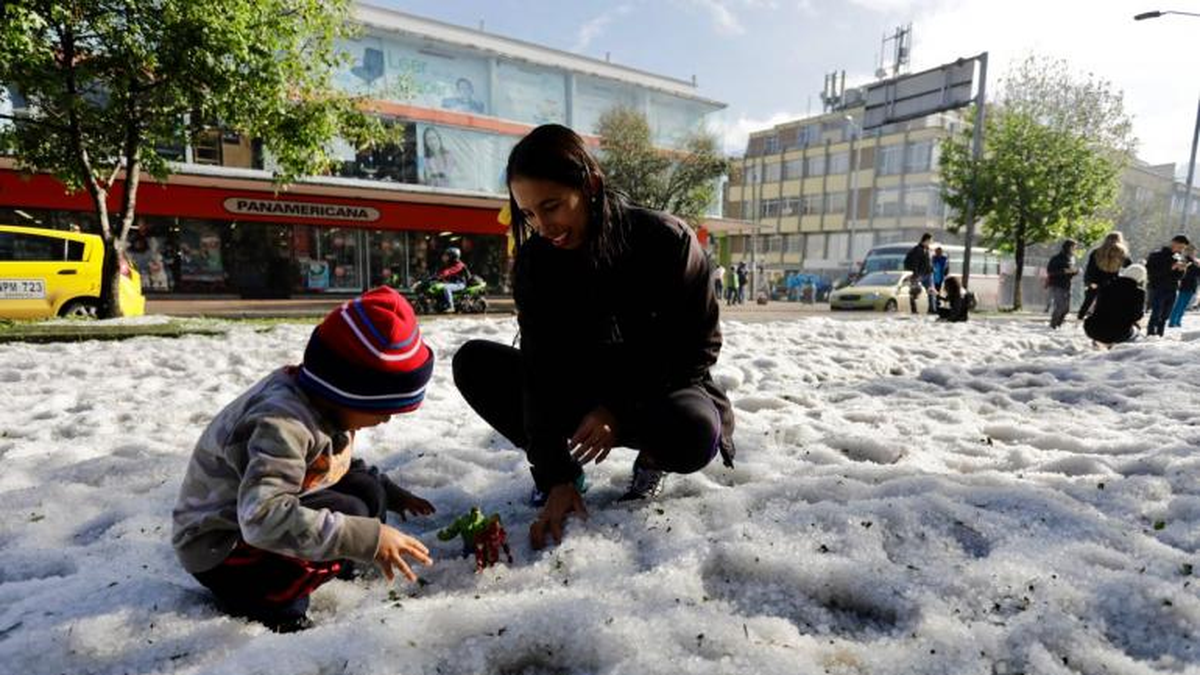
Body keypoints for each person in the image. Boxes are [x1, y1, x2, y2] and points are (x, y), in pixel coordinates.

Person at [451, 124, 735, 551]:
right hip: (579, 396)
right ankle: (569, 474)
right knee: (473, 362)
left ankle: (652, 460)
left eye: (552, 206)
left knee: (694, 431)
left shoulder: (665, 241)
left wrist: (617, 409)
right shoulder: (535, 263)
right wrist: (555, 476)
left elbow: (698, 349)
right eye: (528, 214)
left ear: (591, 186)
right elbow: (538, 369)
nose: (543, 226)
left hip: (657, 394)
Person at [172, 287, 436, 632]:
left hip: (260, 512)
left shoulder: (326, 402)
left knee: (368, 489)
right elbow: (262, 519)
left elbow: (330, 463)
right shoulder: (282, 425)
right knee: (353, 514)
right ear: (346, 391)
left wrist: (392, 494)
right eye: (381, 410)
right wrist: (365, 537)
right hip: (222, 547)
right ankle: (279, 608)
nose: (385, 420)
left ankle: (339, 559)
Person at [1084, 264, 1147, 348]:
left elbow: (1095, 307)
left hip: (1093, 330)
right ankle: (1117, 348)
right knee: (1137, 332)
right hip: (1119, 334)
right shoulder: (1139, 292)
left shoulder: (1107, 286)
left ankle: (1099, 342)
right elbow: (1137, 315)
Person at [1077, 232, 1132, 320]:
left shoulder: (1096, 251)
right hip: (1112, 280)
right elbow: (1128, 265)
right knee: (1106, 301)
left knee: (1088, 301)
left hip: (1096, 279)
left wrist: (1089, 281)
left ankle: (1080, 318)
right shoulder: (1122, 252)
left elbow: (1090, 268)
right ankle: (1102, 319)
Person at [1144, 234, 1190, 336]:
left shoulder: (1179, 257)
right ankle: (1150, 334)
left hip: (1172, 288)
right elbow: (1151, 273)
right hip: (1158, 287)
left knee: (1165, 315)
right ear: (1173, 242)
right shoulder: (1157, 255)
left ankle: (1160, 334)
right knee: (1156, 313)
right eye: (1180, 247)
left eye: (1183, 248)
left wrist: (1182, 270)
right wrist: (1171, 267)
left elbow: (1179, 277)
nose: (1181, 250)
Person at [1045, 239, 1079, 329]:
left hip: (1067, 285)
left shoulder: (1071, 258)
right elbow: (1050, 271)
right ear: (1068, 247)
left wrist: (1076, 271)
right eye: (1074, 247)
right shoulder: (1056, 258)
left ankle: (1058, 325)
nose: (1075, 249)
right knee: (1060, 306)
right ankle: (1053, 326)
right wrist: (1064, 271)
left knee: (1066, 309)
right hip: (1057, 285)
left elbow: (1070, 271)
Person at [1169, 245, 1199, 328]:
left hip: (1192, 285)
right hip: (1185, 285)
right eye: (1190, 251)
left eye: (1193, 251)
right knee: (1179, 304)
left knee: (1184, 305)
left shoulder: (1193, 261)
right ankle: (1173, 321)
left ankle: (1177, 321)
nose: (1192, 253)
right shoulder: (1185, 260)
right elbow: (1192, 272)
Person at [903, 233, 934, 314]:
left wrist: (931, 269)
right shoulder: (917, 250)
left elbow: (928, 262)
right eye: (930, 240)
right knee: (914, 292)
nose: (931, 242)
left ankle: (932, 309)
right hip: (919, 274)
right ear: (926, 240)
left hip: (927, 274)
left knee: (931, 292)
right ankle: (914, 309)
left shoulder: (927, 249)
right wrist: (915, 275)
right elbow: (915, 263)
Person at [435, 246, 472, 312]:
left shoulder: (459, 265)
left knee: (446, 288)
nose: (445, 257)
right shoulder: (450, 264)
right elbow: (442, 271)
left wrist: (441, 275)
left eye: (447, 255)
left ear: (452, 256)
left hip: (460, 284)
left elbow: (450, 271)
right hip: (453, 283)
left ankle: (451, 306)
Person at [931, 246, 949, 311]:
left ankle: (939, 303)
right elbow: (932, 266)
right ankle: (937, 303)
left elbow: (946, 268)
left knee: (940, 290)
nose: (938, 253)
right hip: (935, 277)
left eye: (939, 252)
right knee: (936, 290)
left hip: (941, 276)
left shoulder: (944, 258)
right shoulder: (934, 258)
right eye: (937, 252)